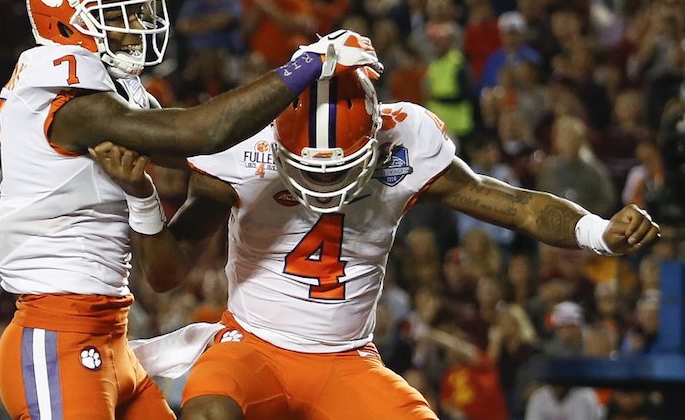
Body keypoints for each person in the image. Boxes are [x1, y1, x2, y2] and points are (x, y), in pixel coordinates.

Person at [95, 68, 660, 419]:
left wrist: (597, 232)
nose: (323, 186)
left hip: (345, 360)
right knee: (208, 413)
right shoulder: (242, 146)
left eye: (338, 170)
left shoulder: (404, 139)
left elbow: (515, 203)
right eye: (308, 171)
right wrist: (142, 197)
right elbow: (166, 274)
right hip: (251, 348)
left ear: (374, 142)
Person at [0, 0, 382, 420]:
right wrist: (307, 66)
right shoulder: (68, 102)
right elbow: (202, 133)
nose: (137, 26)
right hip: (58, 336)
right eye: (118, 14)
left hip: (107, 332)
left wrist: (297, 151)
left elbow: (204, 155)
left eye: (138, 11)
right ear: (66, 19)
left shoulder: (105, 92)